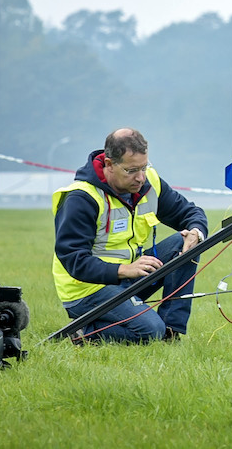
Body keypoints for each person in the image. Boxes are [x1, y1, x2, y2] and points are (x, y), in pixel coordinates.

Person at [50, 127, 208, 342]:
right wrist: (125, 269)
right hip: (87, 291)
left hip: (130, 279)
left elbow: (189, 212)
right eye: (131, 170)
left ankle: (171, 332)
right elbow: (74, 261)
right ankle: (82, 332)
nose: (140, 177)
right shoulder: (81, 198)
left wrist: (196, 232)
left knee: (185, 243)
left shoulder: (148, 182)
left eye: (144, 167)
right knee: (150, 332)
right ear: (109, 164)